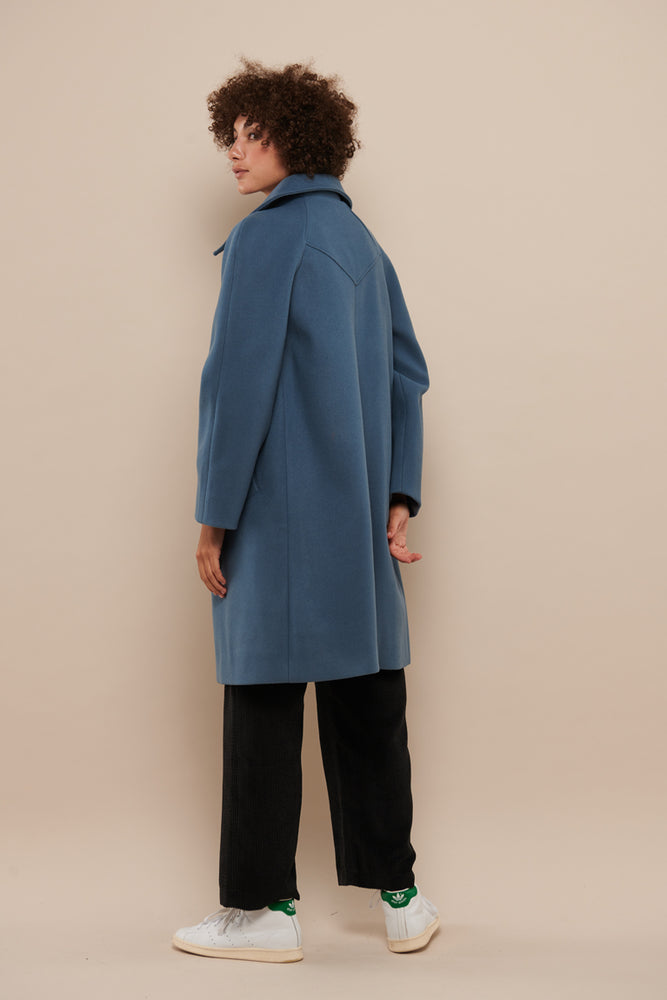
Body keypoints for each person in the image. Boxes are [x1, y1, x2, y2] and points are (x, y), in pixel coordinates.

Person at [172, 60, 437, 964]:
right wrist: (397, 496)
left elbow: (236, 386)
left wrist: (214, 516)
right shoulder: (360, 243)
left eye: (254, 135)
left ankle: (261, 913)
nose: (235, 153)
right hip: (355, 519)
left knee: (261, 705)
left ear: (298, 136)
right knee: (368, 700)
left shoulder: (265, 238)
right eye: (231, 136)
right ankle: (402, 902)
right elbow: (407, 377)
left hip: (277, 516)